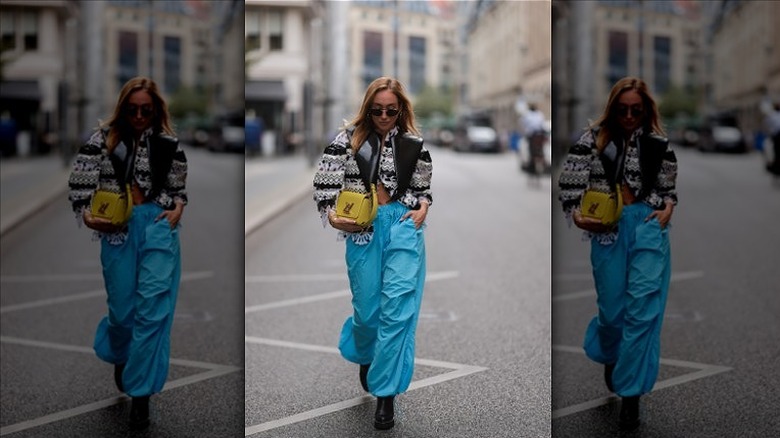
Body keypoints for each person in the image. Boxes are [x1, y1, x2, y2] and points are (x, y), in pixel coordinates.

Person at [557, 77, 678, 431]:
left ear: (645, 111)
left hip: (648, 228)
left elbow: (668, 190)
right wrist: (578, 215)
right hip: (607, 230)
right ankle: (611, 352)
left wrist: (667, 207)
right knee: (613, 313)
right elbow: (569, 185)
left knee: (643, 311)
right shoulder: (592, 139)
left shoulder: (659, 145)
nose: (628, 115)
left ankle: (631, 396)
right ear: (613, 107)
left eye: (635, 110)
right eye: (622, 109)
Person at [312, 77, 432, 430]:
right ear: (367, 108)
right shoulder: (346, 141)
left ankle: (386, 396)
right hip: (362, 230)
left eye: (391, 110)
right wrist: (334, 217)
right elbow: (324, 187)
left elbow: (424, 189)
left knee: (397, 311)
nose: (383, 115)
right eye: (377, 109)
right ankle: (365, 352)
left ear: (401, 110)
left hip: (403, 227)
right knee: (368, 314)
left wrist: (423, 206)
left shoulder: (414, 145)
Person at [68, 76, 188, 430]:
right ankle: (120, 350)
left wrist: (177, 207)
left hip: (157, 227)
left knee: (153, 310)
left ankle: (141, 396)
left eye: (145, 110)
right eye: (132, 109)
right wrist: (89, 216)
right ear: (123, 108)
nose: (138, 116)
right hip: (117, 229)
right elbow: (79, 185)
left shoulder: (169, 144)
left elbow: (178, 190)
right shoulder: (101, 140)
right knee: (123, 313)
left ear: (155, 111)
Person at [764, 102, 780, 176]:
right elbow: (767, 125)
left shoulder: (772, 115)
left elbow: (767, 125)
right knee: (776, 153)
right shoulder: (772, 115)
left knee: (776, 153)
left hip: (776, 135)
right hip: (776, 135)